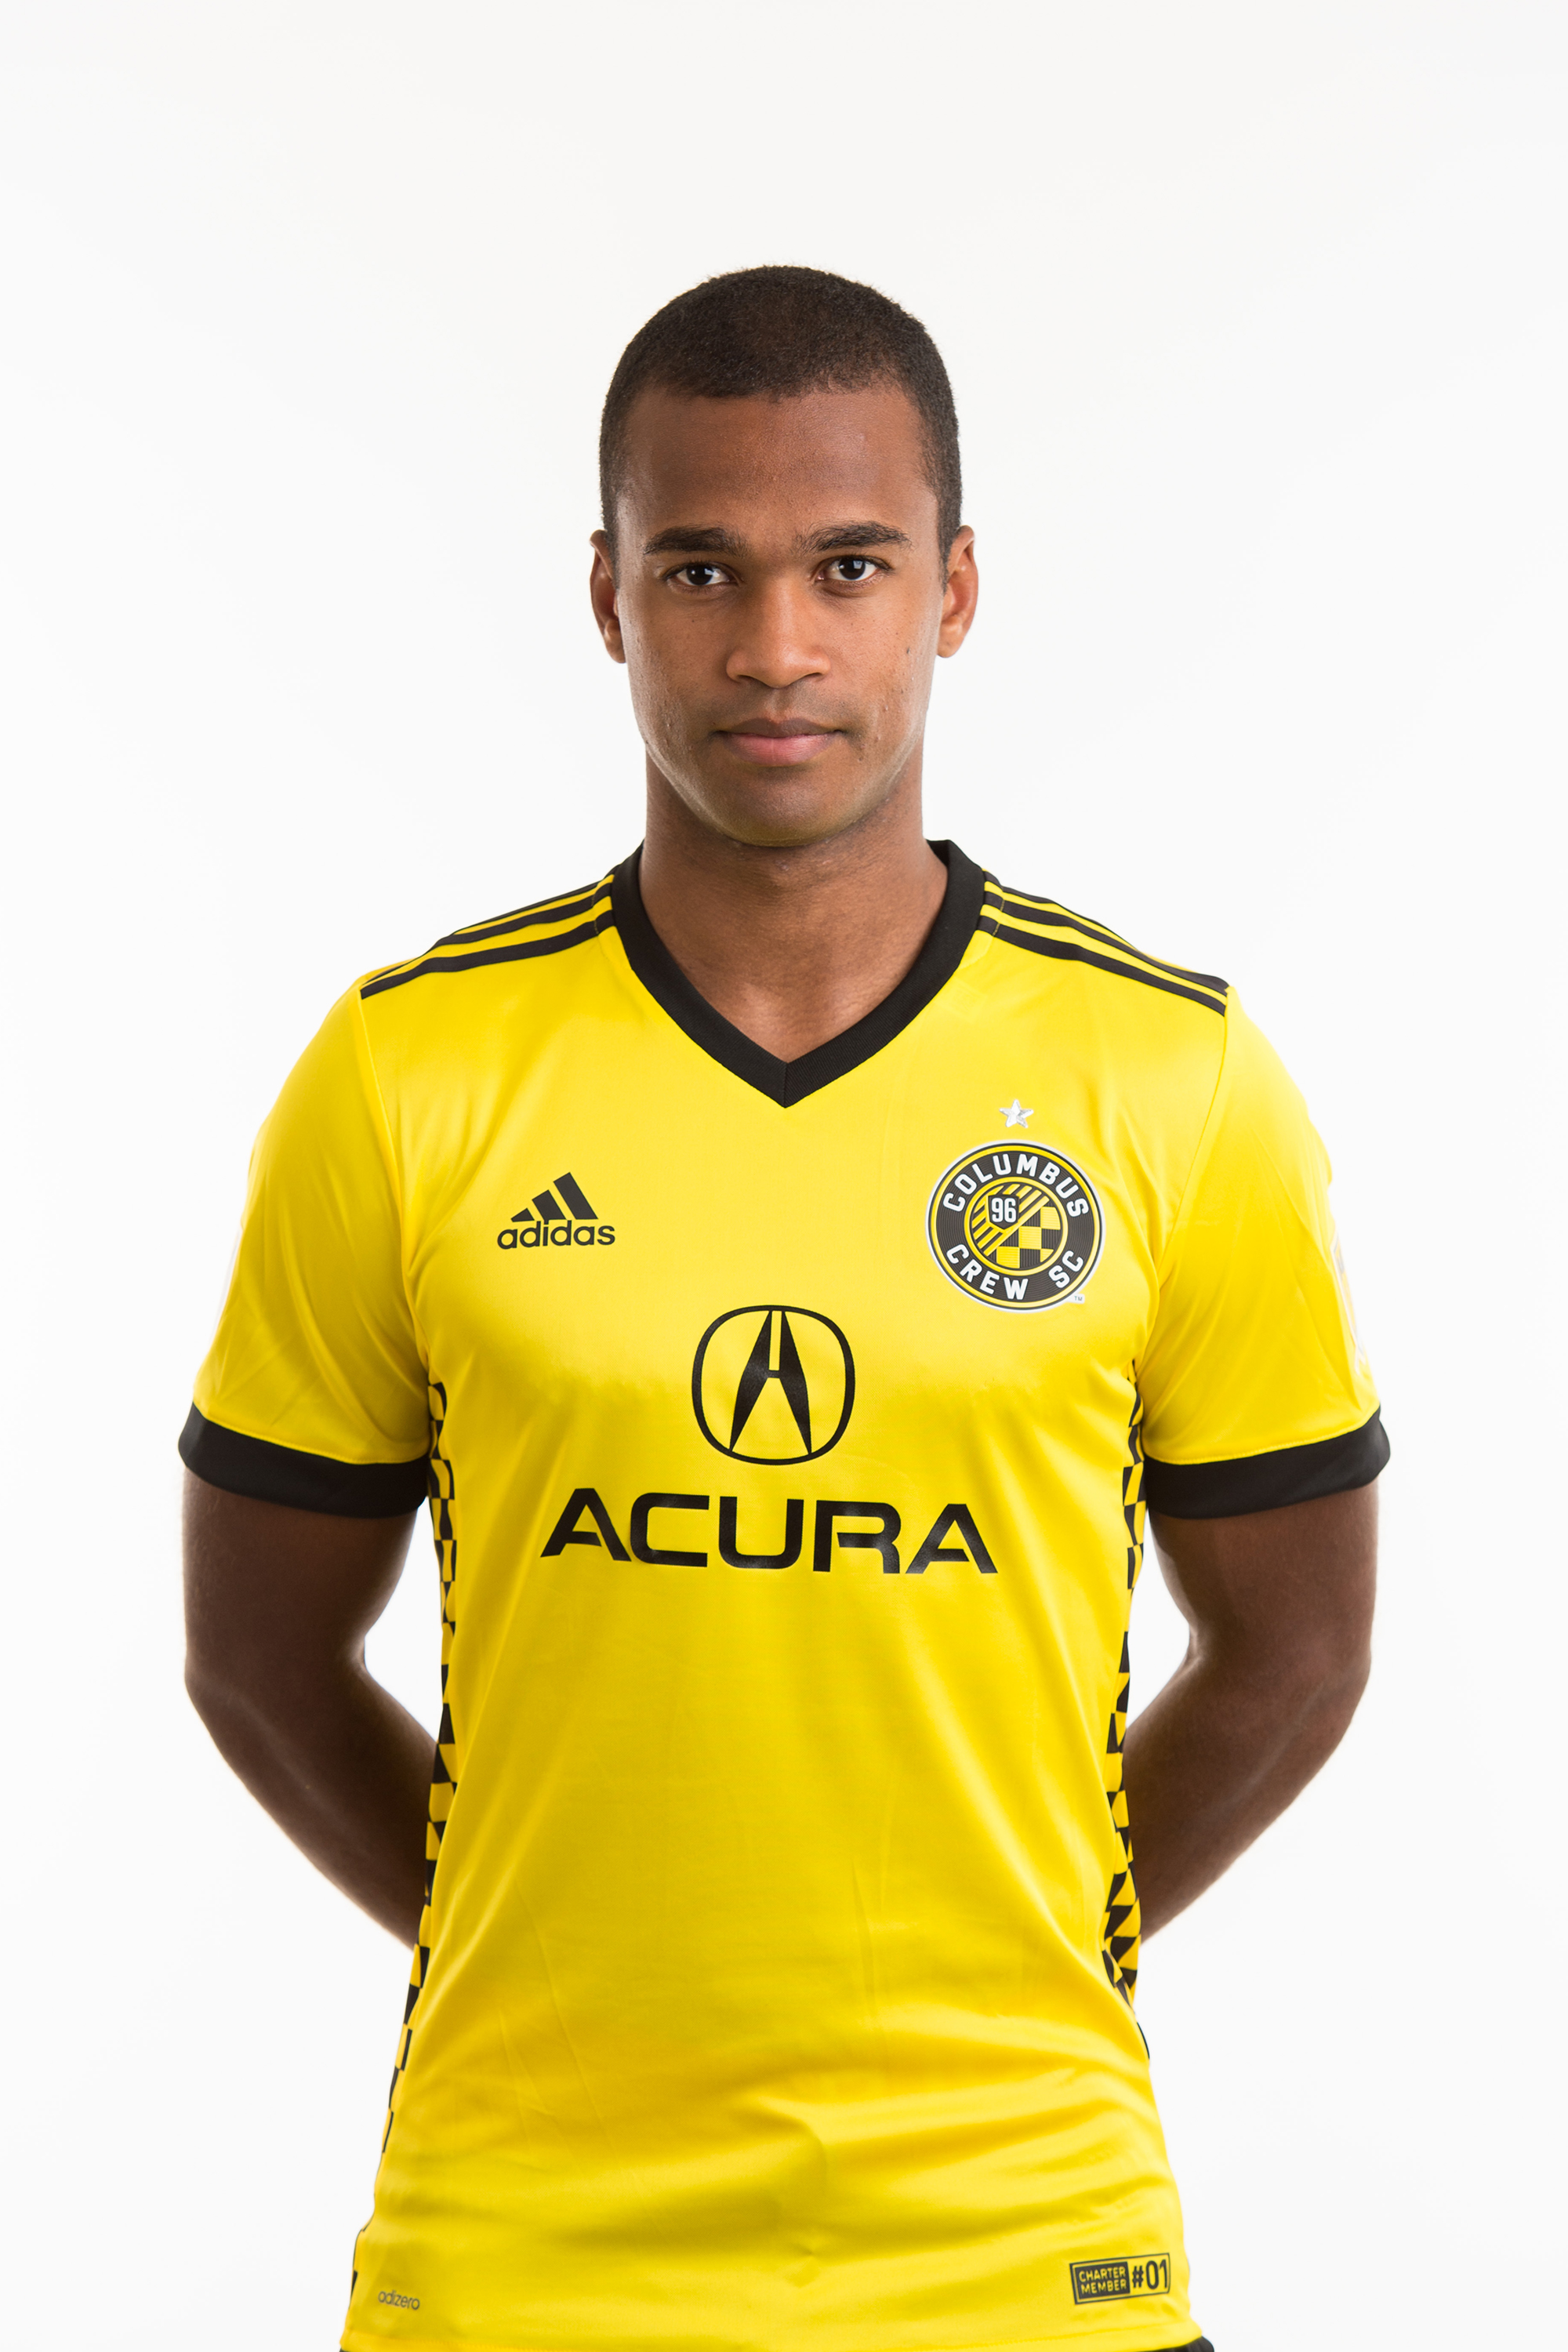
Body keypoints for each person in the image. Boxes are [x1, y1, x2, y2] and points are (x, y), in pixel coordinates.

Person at [181, 266, 1386, 2352]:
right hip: (521, 2241)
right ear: (607, 597)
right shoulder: (407, 1077)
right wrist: (547, 1961)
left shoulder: (1172, 1082)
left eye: (848, 566)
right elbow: (258, 1657)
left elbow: (1298, 1651)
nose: (775, 647)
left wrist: (1032, 1949)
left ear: (953, 590)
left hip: (1029, 2244)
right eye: (700, 569)